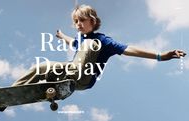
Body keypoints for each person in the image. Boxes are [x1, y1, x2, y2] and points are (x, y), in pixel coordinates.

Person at [12, 4, 186, 90]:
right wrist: (61, 35)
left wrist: (160, 56)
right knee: (40, 67)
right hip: (70, 74)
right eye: (75, 22)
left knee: (89, 44)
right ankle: (9, 94)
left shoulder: (103, 41)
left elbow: (129, 49)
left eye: (81, 20)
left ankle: (63, 79)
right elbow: (72, 43)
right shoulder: (79, 40)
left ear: (92, 21)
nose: (78, 24)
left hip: (85, 79)